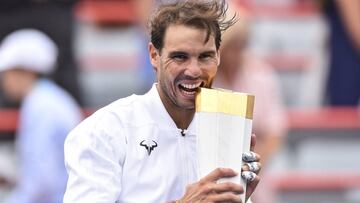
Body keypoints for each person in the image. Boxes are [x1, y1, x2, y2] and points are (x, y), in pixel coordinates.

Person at [64, 1, 261, 202]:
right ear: (154, 55)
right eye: (180, 57)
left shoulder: (227, 128)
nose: (193, 70)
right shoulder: (105, 130)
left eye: (205, 57)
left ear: (218, 57)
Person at [0, 29, 82, 203]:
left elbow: (41, 183)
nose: (4, 81)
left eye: (6, 74)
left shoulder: (41, 107)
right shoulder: (48, 100)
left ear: (24, 72)